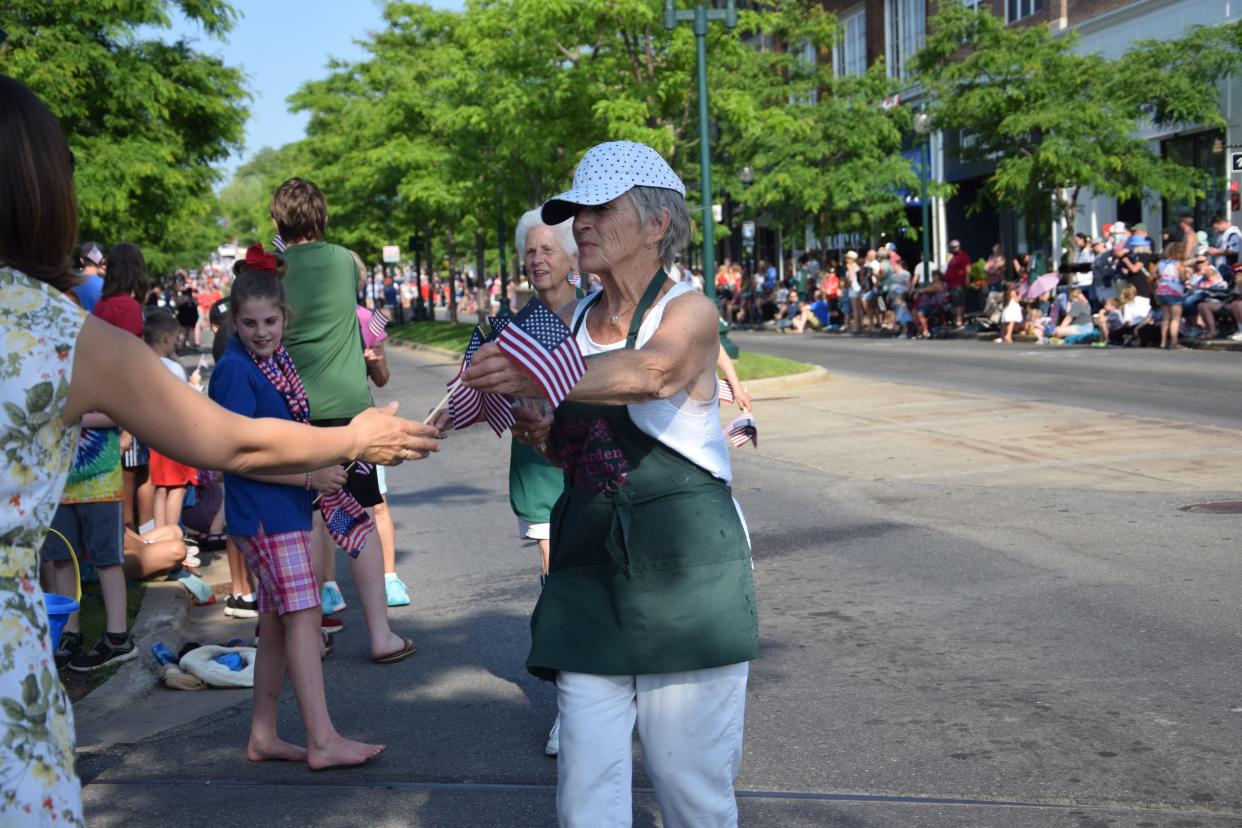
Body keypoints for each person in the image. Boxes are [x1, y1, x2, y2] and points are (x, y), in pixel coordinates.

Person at [0, 74, 440, 826]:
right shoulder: (53, 331)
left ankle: (277, 731)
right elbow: (227, 440)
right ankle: (308, 733)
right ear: (38, 190)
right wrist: (354, 436)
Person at [464, 141, 758, 827]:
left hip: (686, 564)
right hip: (590, 563)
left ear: (657, 224)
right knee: (586, 785)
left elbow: (652, 374)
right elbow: (564, 441)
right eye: (576, 213)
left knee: (688, 784)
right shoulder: (565, 322)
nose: (581, 225)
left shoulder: (689, 312)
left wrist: (538, 376)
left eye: (601, 209)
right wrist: (531, 421)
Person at [208, 246, 390, 769]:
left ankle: (263, 734)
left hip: (282, 507)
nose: (261, 330)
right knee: (305, 616)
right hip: (266, 512)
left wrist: (324, 462)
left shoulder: (272, 362)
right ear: (234, 322)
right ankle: (322, 740)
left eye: (270, 320)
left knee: (277, 625)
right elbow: (238, 457)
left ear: (285, 318)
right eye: (249, 322)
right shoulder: (236, 373)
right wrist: (310, 474)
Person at [272, 177, 414, 664]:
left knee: (309, 518)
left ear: (276, 222)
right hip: (352, 409)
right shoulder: (341, 261)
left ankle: (312, 634)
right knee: (363, 514)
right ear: (325, 217)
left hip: (294, 409)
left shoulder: (274, 269)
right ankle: (381, 634)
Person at [143, 309, 202, 530]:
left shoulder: (143, 364)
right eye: (175, 339)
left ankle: (160, 535)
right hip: (176, 437)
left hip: (155, 438)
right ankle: (173, 537)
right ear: (167, 337)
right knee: (178, 489)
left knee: (160, 488)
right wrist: (194, 386)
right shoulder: (173, 367)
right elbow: (185, 401)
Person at [1154, 241, 1187, 349]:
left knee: (1165, 318)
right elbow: (1183, 277)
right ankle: (1174, 341)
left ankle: (1163, 342)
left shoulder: (1161, 263)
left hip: (1162, 290)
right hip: (1174, 291)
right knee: (1175, 318)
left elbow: (1152, 274)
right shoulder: (1178, 264)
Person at [943, 239, 971, 328]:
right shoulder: (952, 257)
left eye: (955, 247)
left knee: (959, 303)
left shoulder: (963, 256)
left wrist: (967, 280)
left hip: (958, 284)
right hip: (951, 285)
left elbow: (968, 268)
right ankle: (956, 319)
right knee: (954, 303)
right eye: (952, 247)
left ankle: (959, 321)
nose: (954, 249)